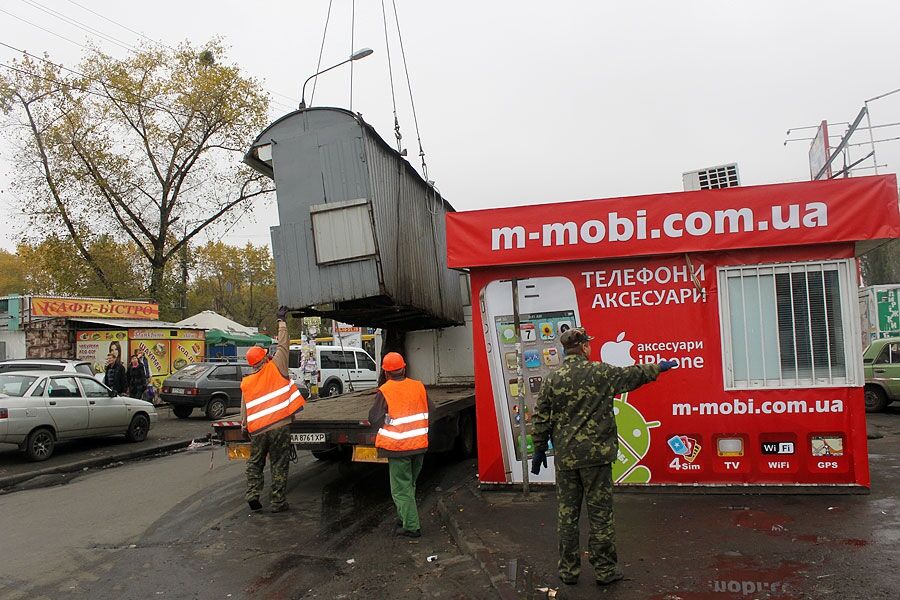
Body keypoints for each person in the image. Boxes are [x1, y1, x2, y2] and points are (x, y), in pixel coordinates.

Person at [531, 327, 677, 587]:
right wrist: (659, 367)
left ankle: (568, 571)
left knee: (567, 517)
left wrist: (540, 449)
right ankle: (605, 570)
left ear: (565, 350)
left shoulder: (553, 379)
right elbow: (633, 374)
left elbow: (541, 417)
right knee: (600, 516)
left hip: (566, 460)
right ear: (584, 347)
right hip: (597, 458)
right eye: (588, 344)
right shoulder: (600, 372)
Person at [240, 306, 305, 513]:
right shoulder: (277, 366)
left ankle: (253, 493)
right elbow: (283, 344)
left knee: (255, 462)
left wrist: (244, 426)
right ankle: (277, 502)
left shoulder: (247, 382)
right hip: (279, 426)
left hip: (258, 430)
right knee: (279, 462)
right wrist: (281, 320)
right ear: (265, 358)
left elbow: (245, 407)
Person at [368, 352, 434, 538]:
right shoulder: (418, 386)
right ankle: (404, 517)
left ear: (386, 372)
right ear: (404, 369)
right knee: (409, 484)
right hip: (418, 446)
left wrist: (390, 421)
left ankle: (411, 526)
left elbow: (374, 418)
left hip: (398, 448)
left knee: (401, 489)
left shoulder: (385, 390)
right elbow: (432, 411)